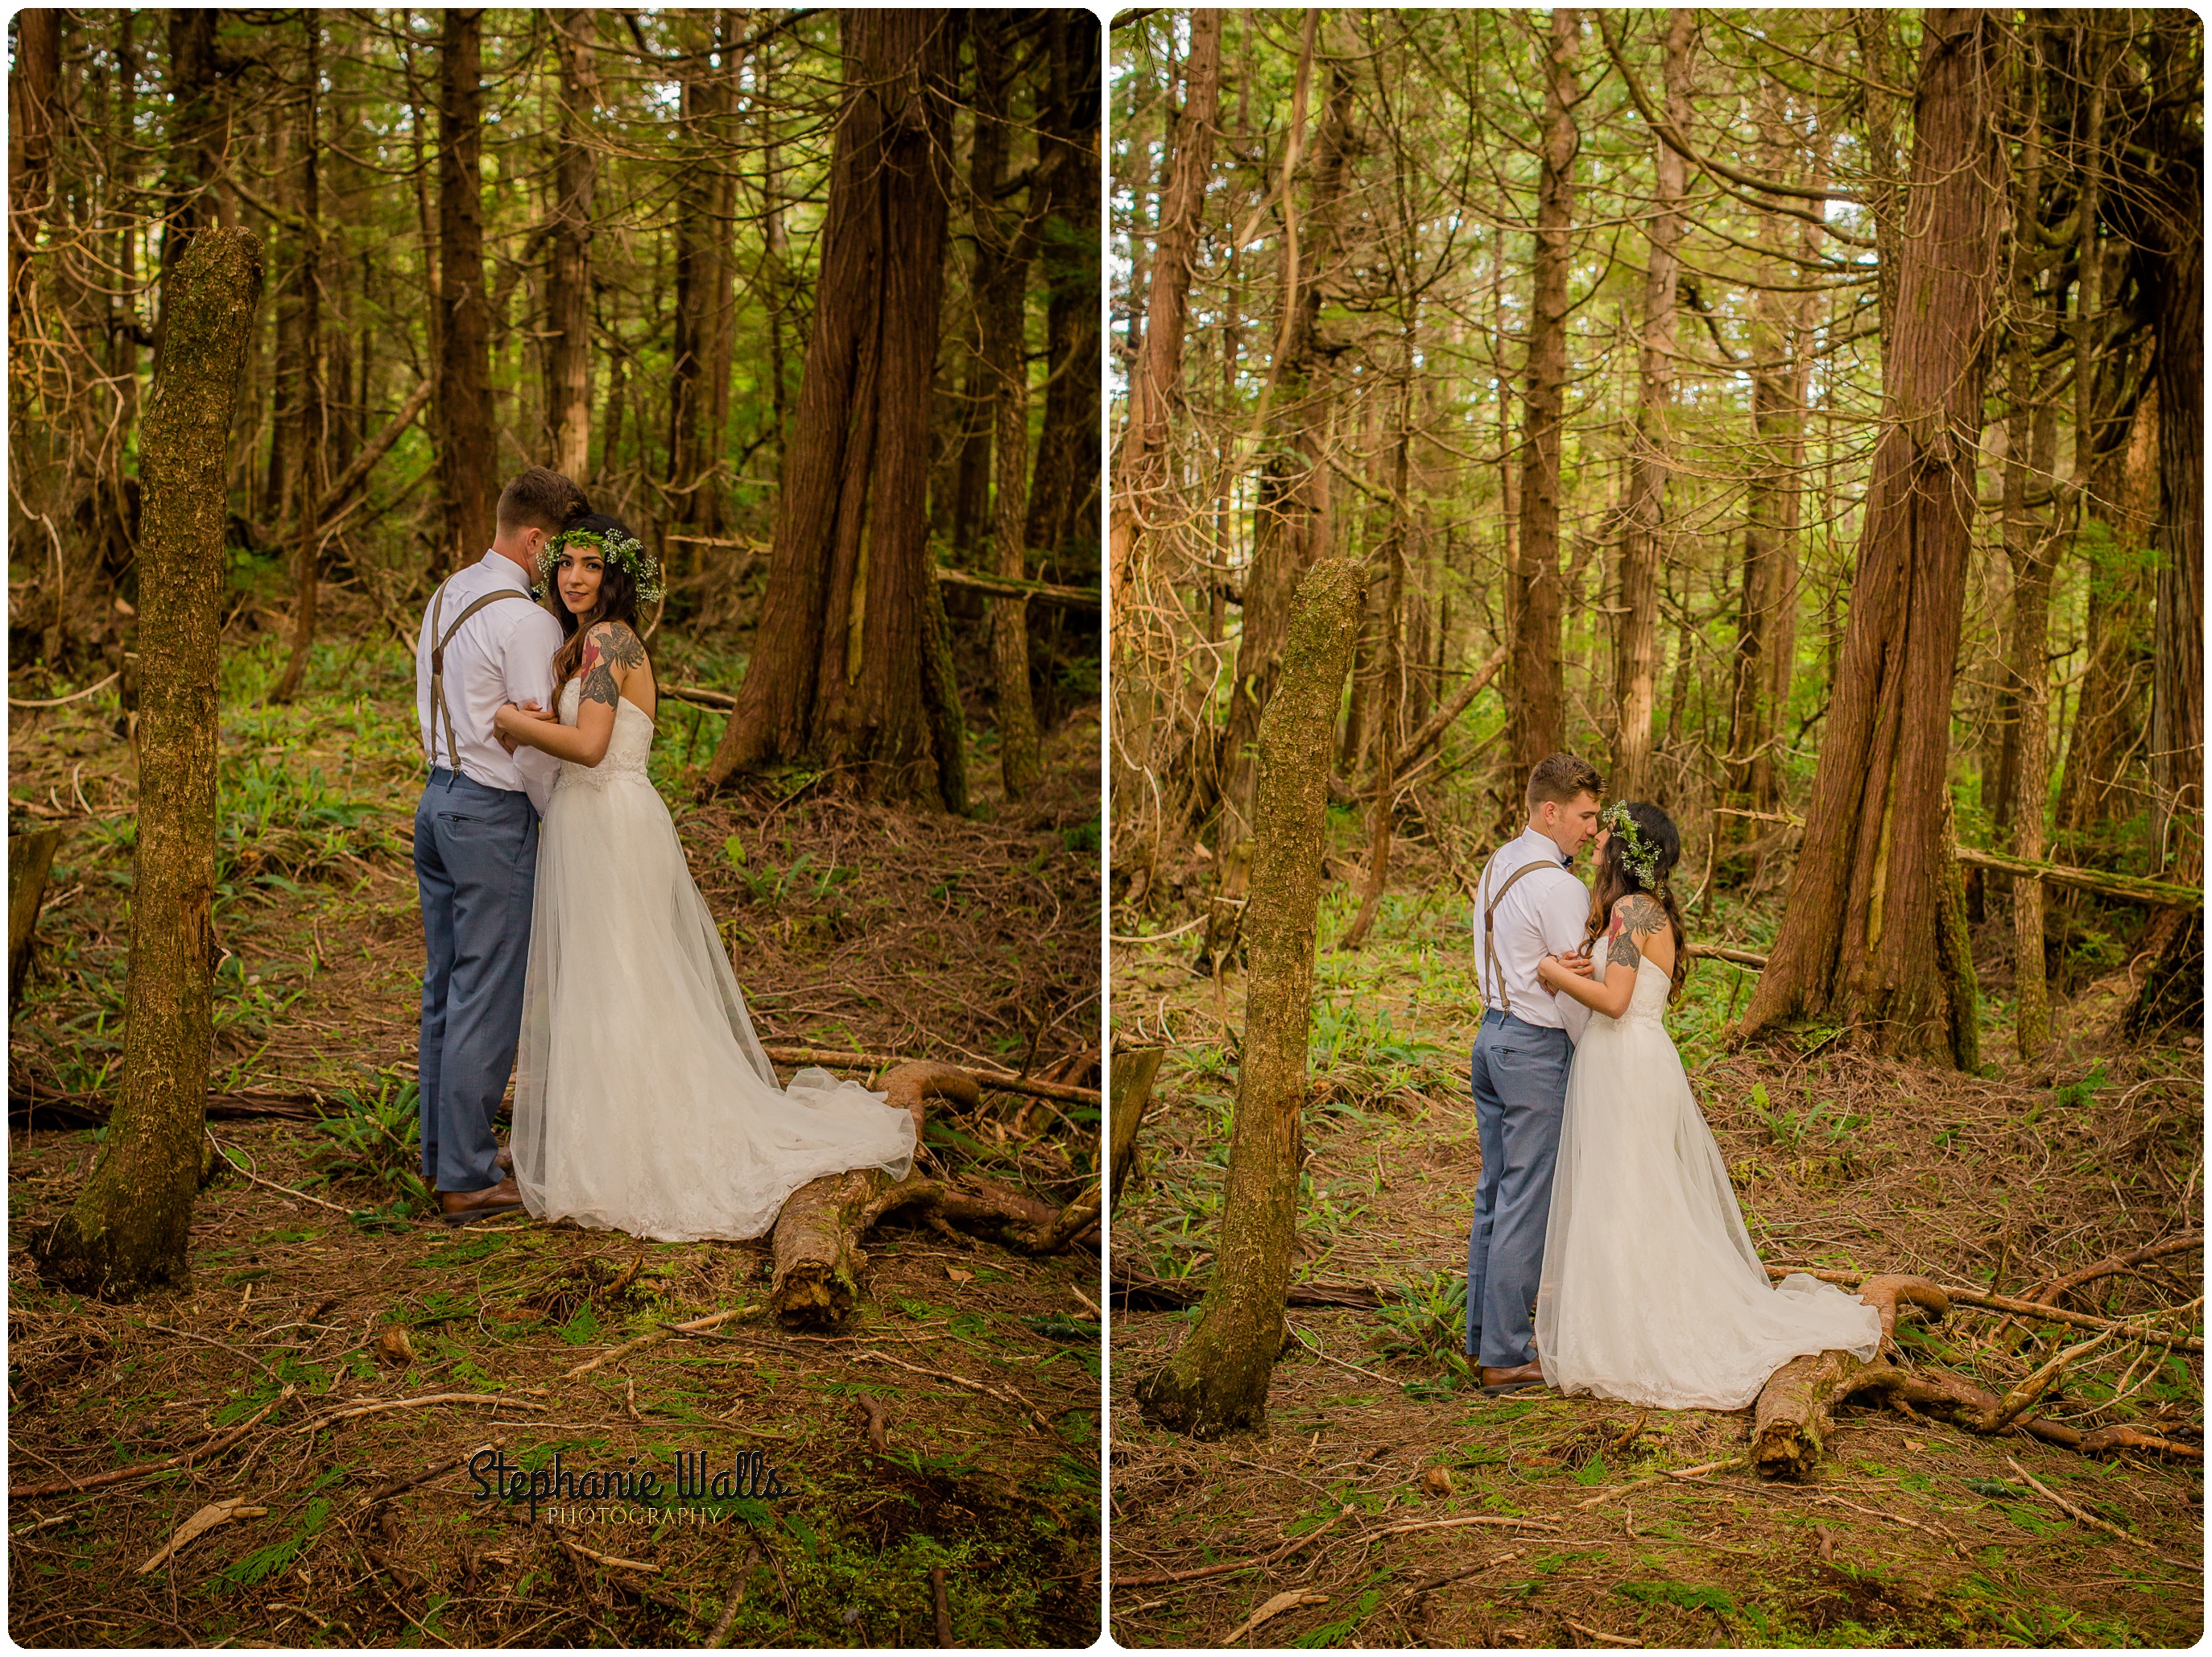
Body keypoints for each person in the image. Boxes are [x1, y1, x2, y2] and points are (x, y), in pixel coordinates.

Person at [492, 515, 918, 1240]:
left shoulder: (609, 639)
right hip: (591, 820)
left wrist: (513, 721)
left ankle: (638, 1152)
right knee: (604, 980)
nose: (573, 578)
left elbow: (591, 747)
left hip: (609, 820)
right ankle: (606, 1140)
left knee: (622, 977)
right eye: (564, 565)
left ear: (614, 574)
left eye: (590, 566)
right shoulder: (590, 643)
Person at [1532, 802, 1883, 1407]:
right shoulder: (1641, 911)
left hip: (1624, 1062)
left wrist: (1548, 971)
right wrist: (1573, 968)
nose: (1596, 836)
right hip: (1631, 1060)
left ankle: (1637, 1336)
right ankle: (1627, 1323)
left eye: (1607, 830)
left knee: (1624, 1194)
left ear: (1625, 849)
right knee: (1631, 1192)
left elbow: (1614, 1001)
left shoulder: (1629, 910)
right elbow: (1620, 984)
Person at [413, 467, 591, 1225]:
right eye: (564, 552)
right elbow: (535, 746)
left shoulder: (447, 592)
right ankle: (466, 1177)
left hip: (437, 802)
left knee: (447, 989)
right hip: (490, 816)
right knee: (487, 996)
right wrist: (566, 824)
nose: (570, 570)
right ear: (538, 540)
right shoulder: (529, 621)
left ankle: (450, 1152)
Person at [1464, 754, 1601, 1394]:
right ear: (1551, 810)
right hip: (1534, 1049)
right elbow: (1582, 989)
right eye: (1584, 815)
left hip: (1490, 1037)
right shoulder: (1559, 886)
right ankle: (1506, 1353)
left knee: (1495, 1193)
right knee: (1526, 1200)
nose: (1591, 830)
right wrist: (1597, 1055)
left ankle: (1484, 1341)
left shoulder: (1498, 863)